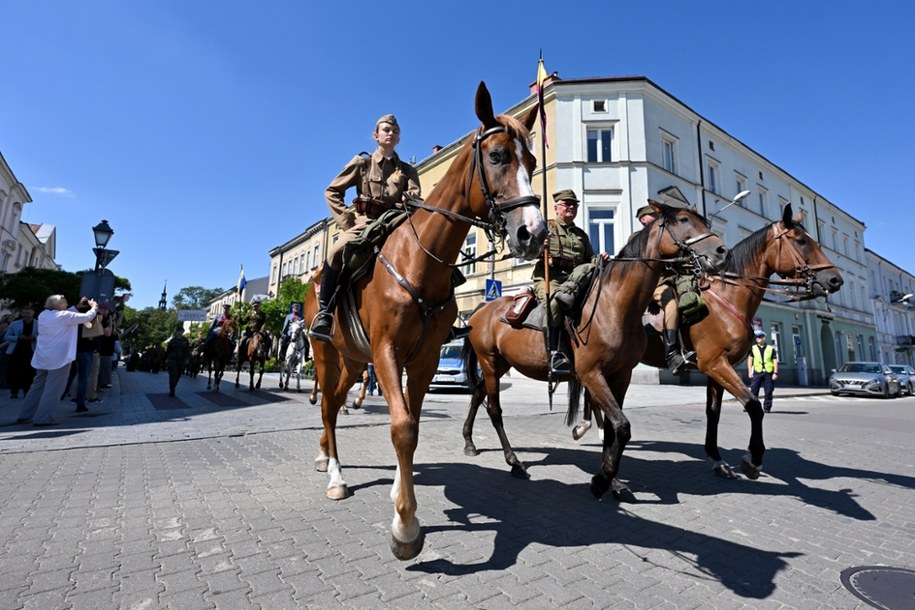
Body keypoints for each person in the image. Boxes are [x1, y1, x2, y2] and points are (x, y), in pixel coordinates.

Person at [311, 113, 421, 341]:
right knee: (335, 252)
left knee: (431, 248)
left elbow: (416, 196)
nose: (391, 134)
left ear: (399, 138)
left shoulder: (408, 170)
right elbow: (332, 192)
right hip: (366, 222)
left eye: (395, 131)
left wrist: (410, 198)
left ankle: (441, 317)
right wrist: (348, 222)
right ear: (376, 135)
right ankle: (325, 313)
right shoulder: (362, 164)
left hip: (398, 222)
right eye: (386, 130)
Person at [532, 189, 609, 374]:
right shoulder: (546, 227)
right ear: (556, 208)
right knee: (554, 305)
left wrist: (600, 259)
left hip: (575, 280)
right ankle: (554, 354)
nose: (571, 207)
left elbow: (589, 259)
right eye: (566, 204)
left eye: (574, 204)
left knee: (589, 269)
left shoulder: (581, 234)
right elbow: (528, 252)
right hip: (550, 277)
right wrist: (539, 246)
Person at [16, 295, 98, 427]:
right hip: (59, 358)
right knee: (53, 389)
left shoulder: (44, 315)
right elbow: (87, 317)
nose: (66, 304)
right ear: (59, 304)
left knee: (37, 386)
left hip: (43, 357)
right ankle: (43, 418)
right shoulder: (64, 316)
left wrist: (76, 307)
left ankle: (25, 415)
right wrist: (94, 307)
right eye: (64, 302)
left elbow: (65, 315)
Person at [634, 202, 695, 375]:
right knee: (671, 304)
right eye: (655, 217)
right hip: (651, 286)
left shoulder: (668, 238)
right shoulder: (637, 238)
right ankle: (672, 353)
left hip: (670, 282)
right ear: (644, 219)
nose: (660, 219)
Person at [4, 306, 38, 399]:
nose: (26, 315)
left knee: (29, 373)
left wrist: (34, 338)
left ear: (33, 313)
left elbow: (43, 337)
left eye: (28, 313)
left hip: (31, 351)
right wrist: (18, 337)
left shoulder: (38, 324)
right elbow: (6, 336)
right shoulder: (15, 324)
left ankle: (27, 391)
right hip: (16, 351)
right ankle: (14, 392)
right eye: (24, 313)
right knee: (14, 372)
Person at [747, 329, 778, 413]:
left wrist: (775, 372)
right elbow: (750, 360)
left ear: (764, 338)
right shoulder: (753, 349)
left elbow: (775, 360)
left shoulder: (771, 349)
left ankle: (767, 407)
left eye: (760, 337)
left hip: (768, 372)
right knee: (754, 390)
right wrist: (750, 371)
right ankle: (752, 406)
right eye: (757, 338)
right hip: (757, 372)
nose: (758, 339)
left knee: (768, 390)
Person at [164, 326, 191, 397]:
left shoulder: (185, 341)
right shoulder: (172, 341)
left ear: (182, 332)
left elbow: (187, 351)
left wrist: (187, 359)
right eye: (178, 331)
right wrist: (164, 360)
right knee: (173, 374)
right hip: (172, 360)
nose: (180, 333)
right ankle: (172, 389)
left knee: (178, 375)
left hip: (181, 360)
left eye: (181, 331)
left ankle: (173, 386)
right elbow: (167, 351)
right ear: (176, 332)